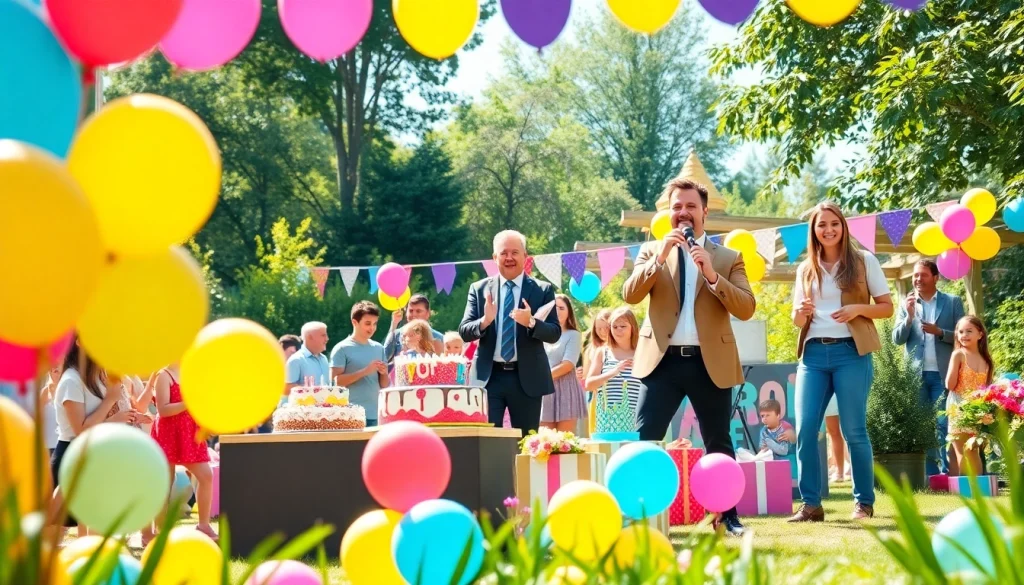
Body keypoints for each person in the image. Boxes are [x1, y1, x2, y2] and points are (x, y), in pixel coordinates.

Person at [622, 178, 756, 537]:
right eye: (676, 207)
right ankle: (637, 516)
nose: (683, 213)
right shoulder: (651, 252)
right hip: (661, 362)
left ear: (704, 212)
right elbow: (630, 295)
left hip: (708, 361)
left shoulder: (728, 257)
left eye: (691, 207)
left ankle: (727, 516)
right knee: (645, 437)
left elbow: (746, 307)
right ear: (668, 212)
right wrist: (661, 257)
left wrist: (712, 275)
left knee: (718, 441)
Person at [789, 202, 893, 523]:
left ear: (843, 226)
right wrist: (801, 313)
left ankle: (863, 503)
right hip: (813, 356)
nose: (828, 229)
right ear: (814, 230)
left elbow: (887, 307)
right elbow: (795, 319)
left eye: (834, 223)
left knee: (853, 430)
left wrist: (857, 309)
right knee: (806, 429)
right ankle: (811, 505)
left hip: (852, 352)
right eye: (822, 225)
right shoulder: (806, 268)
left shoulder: (864, 261)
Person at [460, 230, 560, 433]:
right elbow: (464, 331)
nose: (509, 258)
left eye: (515, 252)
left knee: (526, 442)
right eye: (503, 253)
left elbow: (554, 333)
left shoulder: (542, 289)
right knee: (488, 441)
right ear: (494, 258)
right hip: (489, 378)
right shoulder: (479, 289)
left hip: (527, 378)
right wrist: (485, 321)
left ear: (525, 257)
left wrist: (531, 322)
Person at [49, 338, 143, 533]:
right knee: (50, 528)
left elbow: (104, 413)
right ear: (80, 344)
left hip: (94, 452)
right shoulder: (71, 381)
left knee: (95, 522)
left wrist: (128, 415)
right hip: (73, 455)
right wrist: (110, 402)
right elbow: (81, 430)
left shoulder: (97, 378)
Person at [892, 259, 965, 477]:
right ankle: (931, 475)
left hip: (944, 375)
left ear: (936, 278)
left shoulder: (952, 302)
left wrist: (940, 332)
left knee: (943, 424)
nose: (917, 279)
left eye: (923, 275)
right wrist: (909, 318)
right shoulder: (907, 305)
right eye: (915, 275)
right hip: (916, 376)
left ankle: (949, 471)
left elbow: (965, 335)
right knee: (923, 428)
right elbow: (897, 339)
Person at [144, 364, 216, 544]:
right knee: (164, 484)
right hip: (168, 434)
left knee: (206, 476)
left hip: (189, 432)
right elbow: (163, 409)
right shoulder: (163, 374)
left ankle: (203, 526)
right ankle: (157, 532)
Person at [945, 315, 993, 476]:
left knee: (964, 451)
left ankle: (969, 492)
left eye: (969, 331)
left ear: (980, 334)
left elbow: (949, 385)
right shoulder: (986, 359)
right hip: (972, 409)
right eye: (960, 331)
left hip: (962, 408)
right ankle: (978, 492)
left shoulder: (958, 355)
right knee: (972, 451)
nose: (964, 335)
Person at [330, 301, 389, 426]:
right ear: (354, 322)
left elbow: (384, 384)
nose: (372, 328)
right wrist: (365, 371)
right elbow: (335, 383)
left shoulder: (379, 348)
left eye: (374, 323)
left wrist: (384, 373)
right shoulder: (341, 348)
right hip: (350, 416)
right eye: (367, 323)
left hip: (377, 414)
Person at [584, 307, 642, 435]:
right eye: (614, 327)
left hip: (637, 423)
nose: (618, 330)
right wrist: (614, 371)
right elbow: (589, 384)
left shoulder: (642, 353)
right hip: (607, 425)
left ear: (632, 327)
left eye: (623, 326)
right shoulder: (602, 352)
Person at [540, 294, 587, 432]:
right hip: (544, 392)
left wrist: (543, 378)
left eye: (561, 308)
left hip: (566, 390)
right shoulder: (540, 334)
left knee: (564, 441)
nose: (557, 311)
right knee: (544, 441)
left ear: (569, 312)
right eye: (554, 307)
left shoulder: (573, 335)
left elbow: (568, 364)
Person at [384, 294, 444, 360]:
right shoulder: (397, 334)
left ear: (428, 313)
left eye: (418, 311)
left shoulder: (438, 338)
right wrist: (394, 324)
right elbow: (385, 357)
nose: (414, 314)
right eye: (411, 311)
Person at [581, 309, 612, 435]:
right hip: (598, 399)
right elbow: (586, 383)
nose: (602, 332)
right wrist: (581, 377)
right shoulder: (591, 350)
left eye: (606, 328)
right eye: (598, 329)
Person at [285, 322, 330, 392]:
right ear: (310, 337)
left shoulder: (324, 359)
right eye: (323, 335)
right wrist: (310, 391)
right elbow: (286, 388)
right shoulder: (296, 360)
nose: (327, 339)